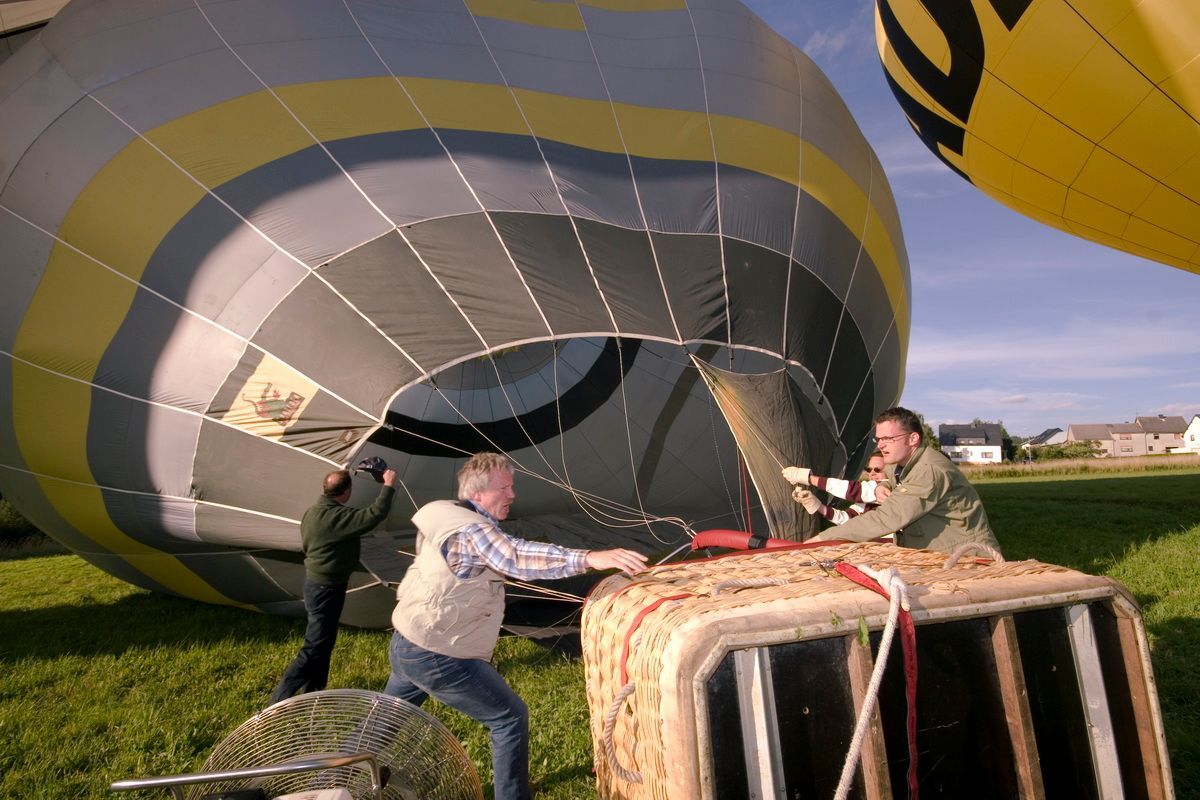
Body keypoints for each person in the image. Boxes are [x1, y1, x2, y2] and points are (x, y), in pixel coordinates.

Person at [383, 452, 647, 800]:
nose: (512, 495)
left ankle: (335, 775)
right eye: (503, 487)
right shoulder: (470, 529)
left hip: (408, 641)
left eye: (512, 487)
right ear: (476, 494)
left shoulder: (445, 512)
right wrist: (589, 557)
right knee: (508, 717)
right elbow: (514, 556)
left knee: (384, 717)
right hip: (437, 653)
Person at [783, 407, 1000, 554]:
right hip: (936, 553)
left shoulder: (929, 470)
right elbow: (891, 474)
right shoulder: (901, 462)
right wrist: (883, 486)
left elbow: (886, 518)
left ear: (913, 439)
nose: (882, 445)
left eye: (889, 439)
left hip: (965, 558)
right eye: (879, 439)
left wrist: (822, 540)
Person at [271, 464, 398, 704]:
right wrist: (389, 484)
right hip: (325, 588)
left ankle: (313, 691)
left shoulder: (313, 511)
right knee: (315, 645)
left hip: (316, 583)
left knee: (324, 641)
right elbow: (375, 514)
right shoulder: (337, 518)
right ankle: (280, 700)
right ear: (346, 492)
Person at [792, 450, 889, 525]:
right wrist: (817, 505)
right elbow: (847, 519)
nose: (872, 474)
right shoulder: (868, 500)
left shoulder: (891, 487)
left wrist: (808, 478)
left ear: (891, 471)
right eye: (868, 469)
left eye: (877, 469)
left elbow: (853, 490)